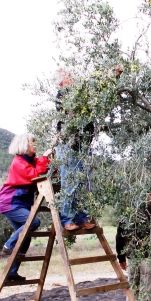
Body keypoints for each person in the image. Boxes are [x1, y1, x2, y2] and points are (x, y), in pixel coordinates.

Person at [0, 132, 51, 281]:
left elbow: (41, 166)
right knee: (34, 222)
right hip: (10, 202)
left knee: (25, 237)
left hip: (20, 203)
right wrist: (45, 158)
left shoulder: (30, 160)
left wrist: (48, 158)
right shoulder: (19, 163)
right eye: (32, 143)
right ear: (24, 145)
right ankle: (9, 245)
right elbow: (35, 173)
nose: (35, 145)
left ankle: (11, 272)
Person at [55, 70, 96, 231]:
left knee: (85, 183)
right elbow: (69, 114)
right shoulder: (62, 95)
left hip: (84, 145)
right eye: (68, 76)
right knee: (70, 182)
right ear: (61, 82)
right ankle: (66, 219)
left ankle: (81, 217)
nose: (72, 77)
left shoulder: (82, 94)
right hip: (68, 145)